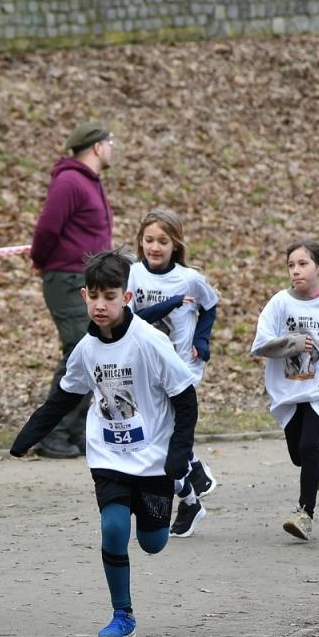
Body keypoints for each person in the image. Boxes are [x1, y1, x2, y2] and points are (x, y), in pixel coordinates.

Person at [11, 249, 196, 637]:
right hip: (109, 454)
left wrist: (178, 455)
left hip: (153, 458)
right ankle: (122, 615)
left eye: (110, 296)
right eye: (94, 296)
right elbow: (64, 396)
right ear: (83, 296)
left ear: (126, 298)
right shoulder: (86, 350)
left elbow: (186, 399)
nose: (101, 304)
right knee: (113, 529)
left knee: (152, 543)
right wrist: (30, 435)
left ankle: (184, 486)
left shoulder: (150, 343)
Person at [250, 239, 319, 543]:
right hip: (287, 392)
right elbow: (261, 346)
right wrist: (295, 343)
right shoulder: (279, 304)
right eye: (291, 265)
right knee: (300, 455)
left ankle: (305, 514)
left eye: (303, 264)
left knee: (307, 445)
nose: (296, 271)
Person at [125, 209, 220, 537]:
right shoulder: (133, 275)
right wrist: (172, 303)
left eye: (163, 241)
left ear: (175, 244)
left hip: (182, 366)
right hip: (148, 367)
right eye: (149, 240)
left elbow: (210, 307)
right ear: (140, 242)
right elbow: (134, 318)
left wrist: (201, 341)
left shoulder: (189, 277)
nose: (155, 246)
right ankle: (193, 481)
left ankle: (191, 486)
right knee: (157, 436)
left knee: (161, 432)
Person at [29, 121, 115, 460]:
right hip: (67, 279)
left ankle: (76, 428)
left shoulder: (90, 182)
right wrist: (41, 261)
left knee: (97, 351)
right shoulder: (70, 181)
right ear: (96, 147)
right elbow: (48, 227)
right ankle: (52, 432)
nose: (112, 149)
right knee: (79, 351)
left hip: (89, 281)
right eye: (110, 143)